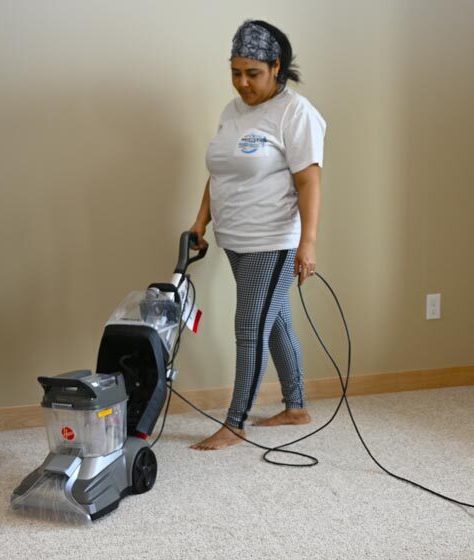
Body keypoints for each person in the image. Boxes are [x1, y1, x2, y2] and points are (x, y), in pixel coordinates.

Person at [188, 20, 326, 450]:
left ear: (276, 67)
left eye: (253, 73)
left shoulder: (296, 113)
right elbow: (218, 173)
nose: (243, 83)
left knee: (250, 327)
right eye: (236, 72)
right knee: (276, 319)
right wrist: (201, 221)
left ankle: (235, 422)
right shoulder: (233, 111)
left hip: (274, 240)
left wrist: (307, 244)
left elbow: (309, 181)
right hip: (236, 239)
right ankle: (296, 405)